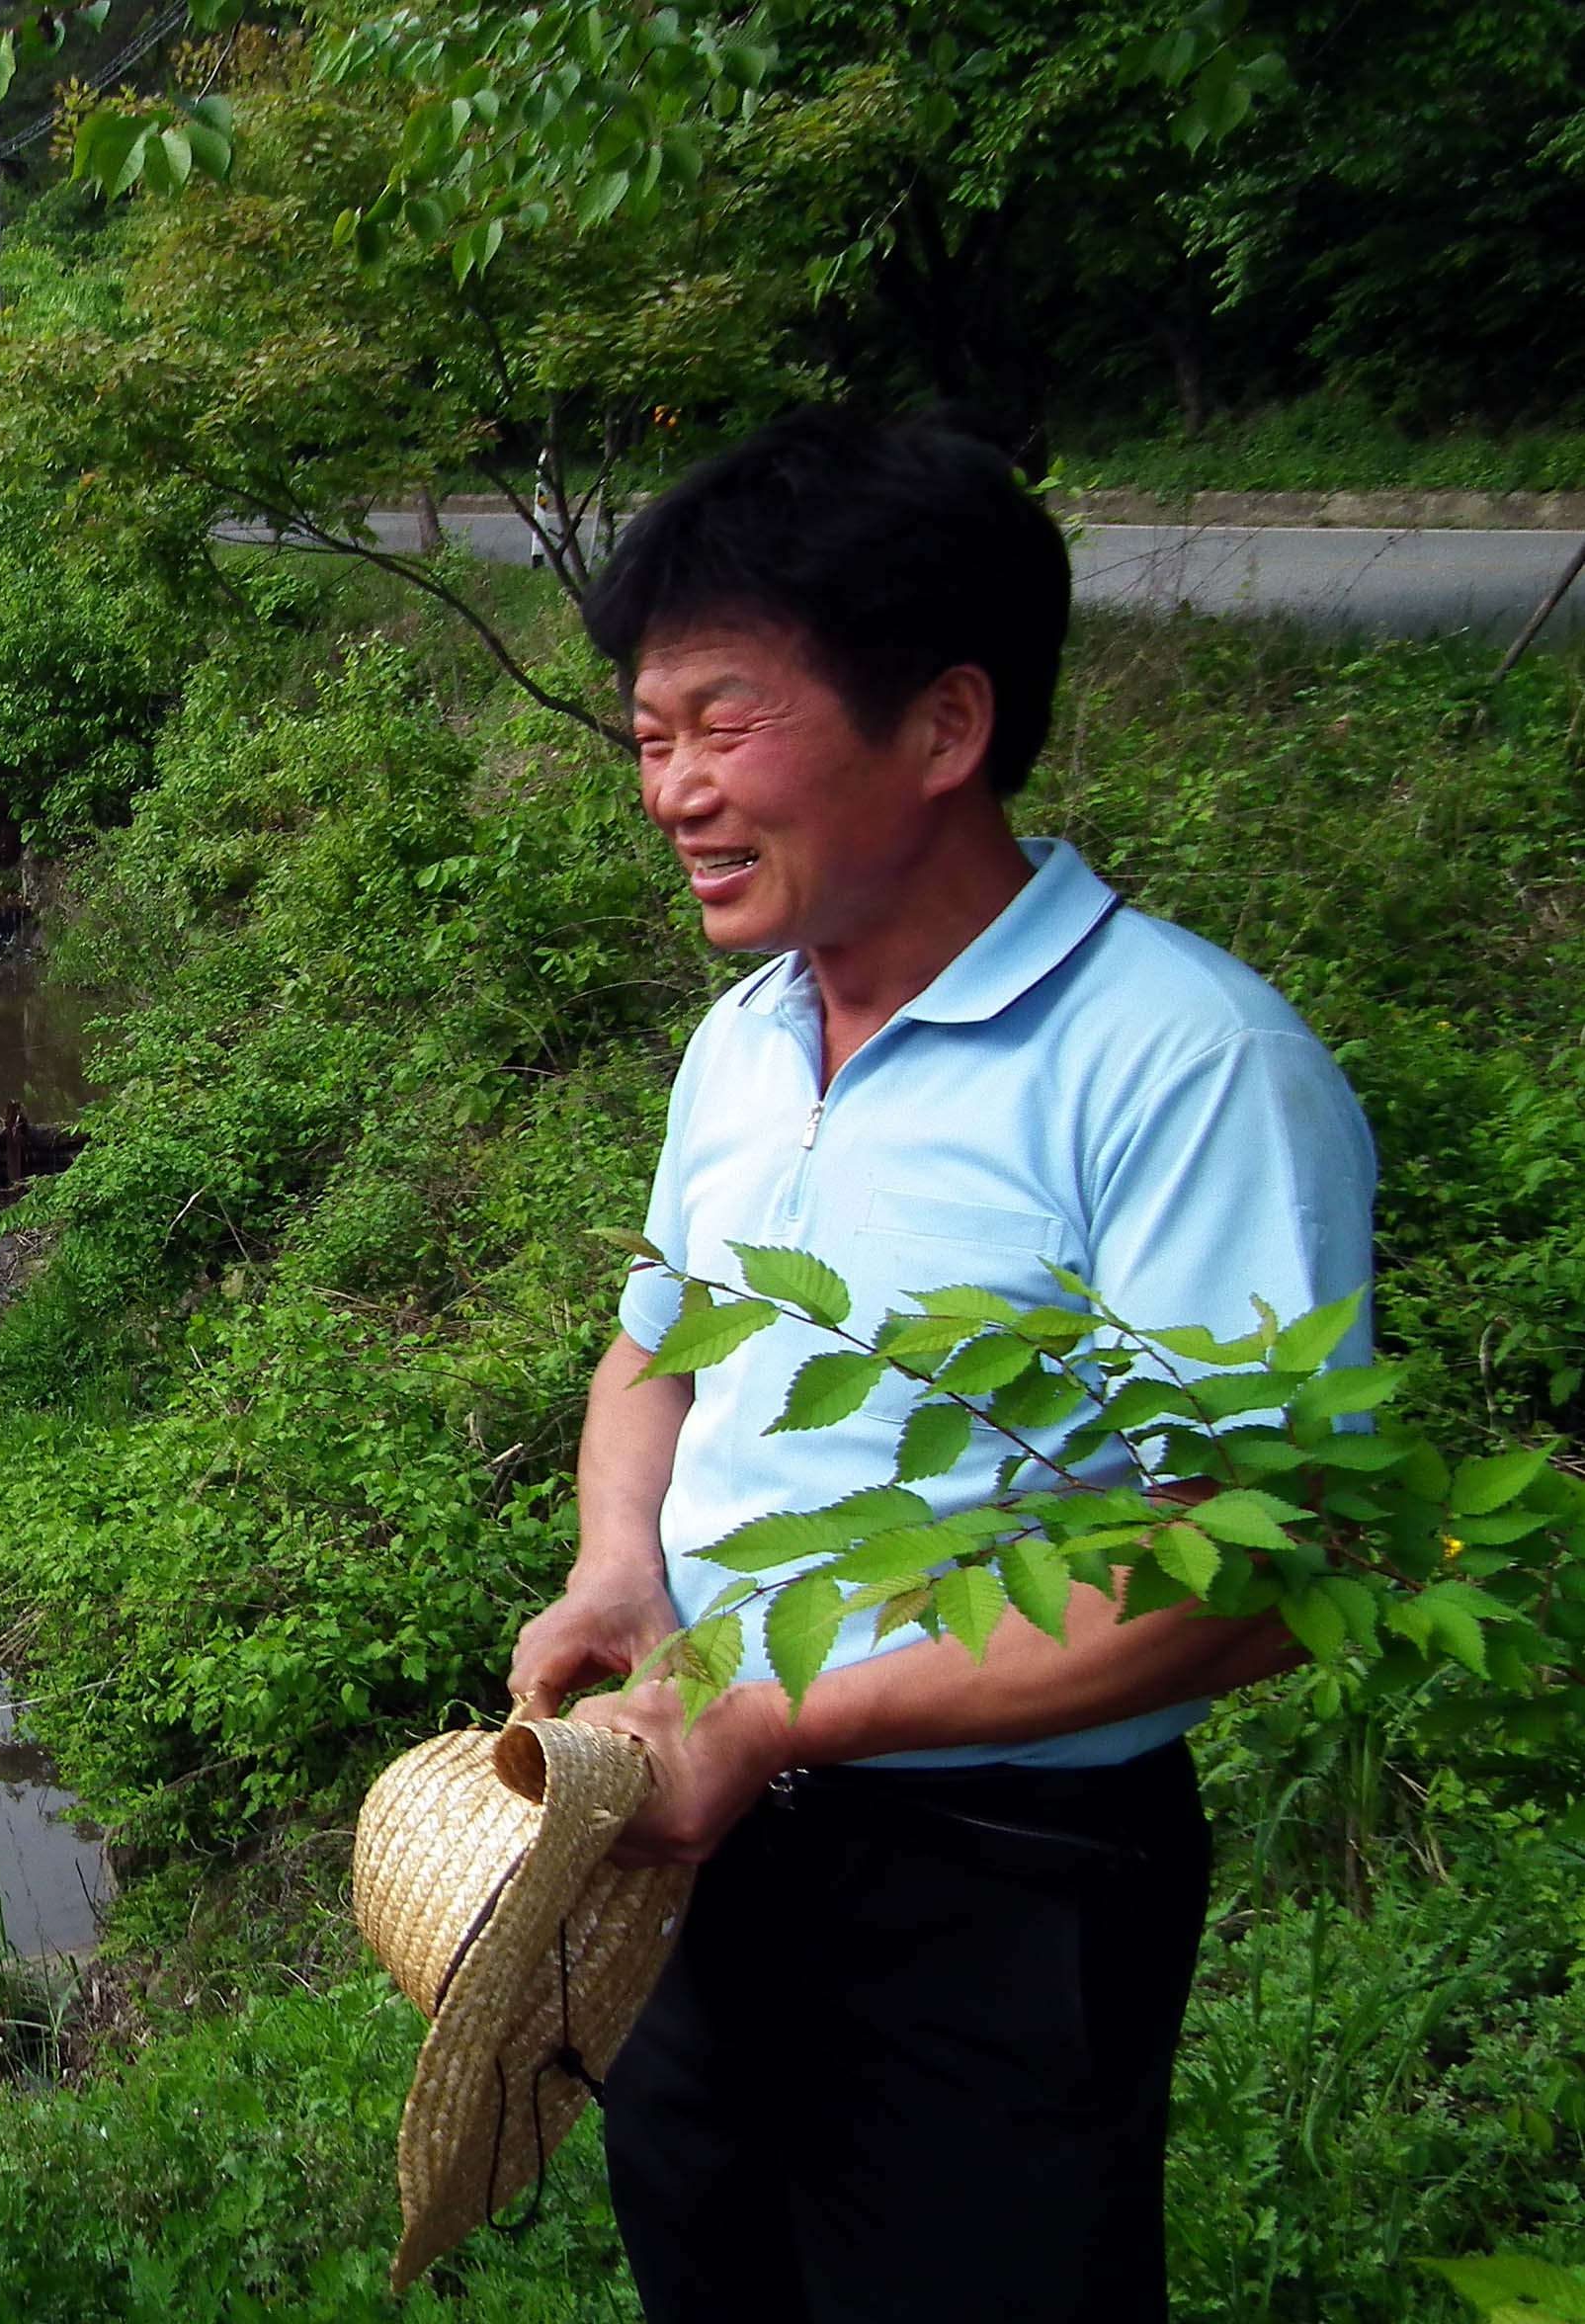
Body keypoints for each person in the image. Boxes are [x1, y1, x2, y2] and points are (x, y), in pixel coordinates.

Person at [502, 408, 1374, 2323]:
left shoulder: (1183, 1068)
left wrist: (782, 1722)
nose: (665, 791)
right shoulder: (741, 1039)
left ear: (943, 725)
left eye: (718, 725)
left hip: (994, 1879)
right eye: (646, 740)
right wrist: (615, 1569)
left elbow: (1258, 1570)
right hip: (682, 1835)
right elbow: (653, 1345)